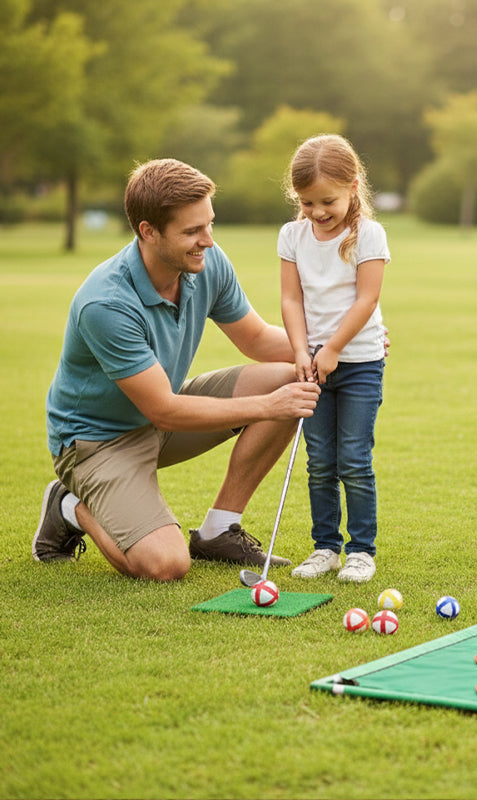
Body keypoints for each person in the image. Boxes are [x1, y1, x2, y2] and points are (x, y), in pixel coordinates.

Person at [32, 158, 321, 581]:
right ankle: (69, 507)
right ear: (148, 232)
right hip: (98, 443)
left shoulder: (207, 262)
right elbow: (164, 411)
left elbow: (256, 339)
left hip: (162, 412)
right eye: (191, 231)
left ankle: (219, 530)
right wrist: (269, 406)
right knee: (166, 565)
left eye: (209, 225)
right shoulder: (106, 303)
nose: (207, 240)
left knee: (289, 374)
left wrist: (336, 345)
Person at [279, 134, 390, 584]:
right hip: (312, 363)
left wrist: (333, 350)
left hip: (359, 362)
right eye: (307, 203)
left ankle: (361, 550)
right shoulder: (292, 235)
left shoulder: (369, 234)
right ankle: (325, 546)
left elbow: (366, 300)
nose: (317, 212)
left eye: (327, 201)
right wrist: (303, 351)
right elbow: (290, 299)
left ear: (353, 186)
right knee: (319, 459)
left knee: (354, 459)